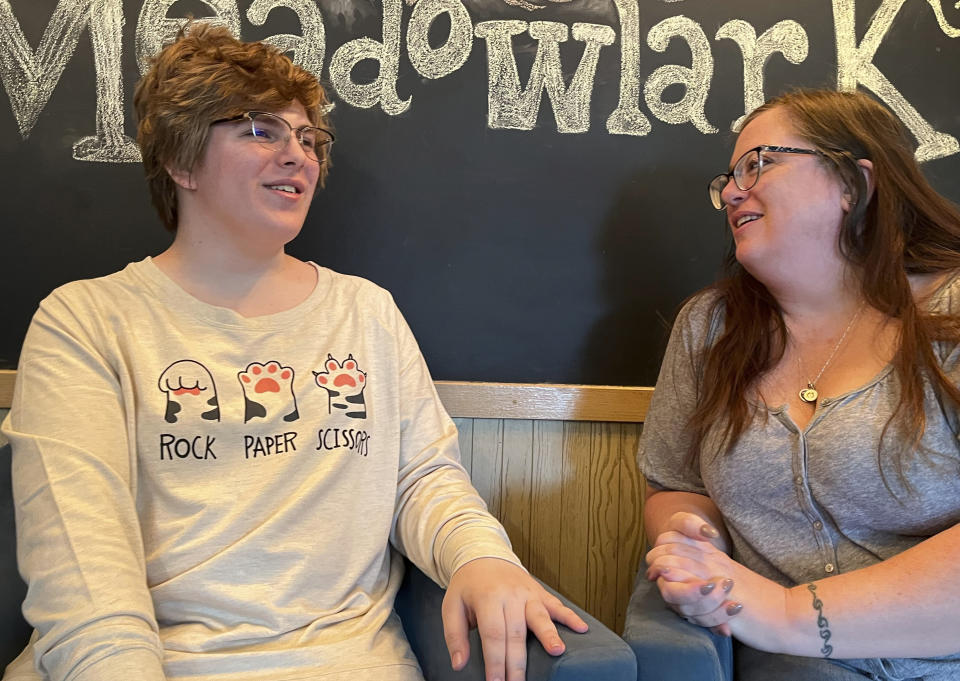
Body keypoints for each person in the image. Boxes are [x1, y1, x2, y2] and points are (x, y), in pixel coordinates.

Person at [1, 23, 586, 681]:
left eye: (308, 138)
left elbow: (422, 477)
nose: (299, 156)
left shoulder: (366, 312)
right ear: (180, 159)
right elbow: (83, 572)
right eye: (261, 130)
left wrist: (483, 556)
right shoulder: (86, 323)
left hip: (349, 662)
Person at [639, 88, 960, 680]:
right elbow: (673, 482)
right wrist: (693, 538)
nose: (733, 191)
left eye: (758, 164)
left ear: (852, 184)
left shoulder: (953, 311)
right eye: (729, 178)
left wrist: (788, 612)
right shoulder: (708, 328)